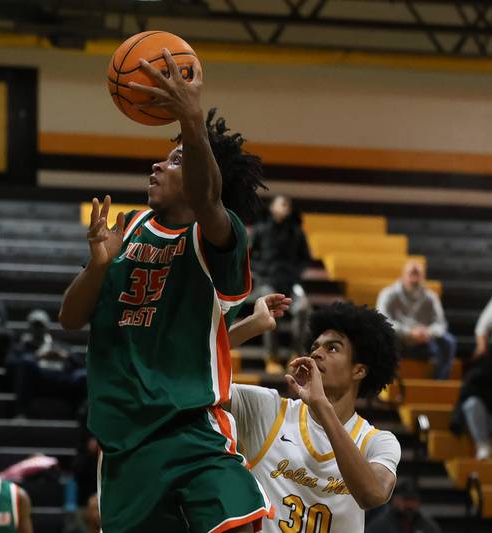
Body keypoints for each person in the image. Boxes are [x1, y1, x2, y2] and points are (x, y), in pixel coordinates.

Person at [58, 49, 271, 533]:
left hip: (191, 429)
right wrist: (97, 267)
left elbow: (208, 197)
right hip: (125, 441)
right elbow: (69, 318)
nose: (157, 165)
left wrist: (191, 118)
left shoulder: (215, 237)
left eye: (176, 160)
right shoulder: (128, 228)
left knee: (238, 520)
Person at [227, 299, 401, 532]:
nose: (317, 353)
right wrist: (251, 325)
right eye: (314, 347)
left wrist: (322, 406)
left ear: (358, 370)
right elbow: (192, 372)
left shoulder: (378, 441)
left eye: (332, 348)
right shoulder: (268, 410)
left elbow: (373, 494)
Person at [248, 195, 313, 373]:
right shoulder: (261, 230)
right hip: (267, 282)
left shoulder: (297, 232)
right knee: (271, 308)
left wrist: (295, 273)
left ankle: (296, 354)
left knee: (303, 308)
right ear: (272, 208)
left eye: (288, 206)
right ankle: (271, 357)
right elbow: (248, 257)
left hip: (291, 284)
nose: (286, 208)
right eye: (282, 205)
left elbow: (305, 258)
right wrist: (262, 270)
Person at [376, 260, 455, 380]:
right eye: (411, 273)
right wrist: (409, 332)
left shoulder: (431, 297)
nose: (414, 278)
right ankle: (382, 382)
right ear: (403, 275)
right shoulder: (388, 294)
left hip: (424, 344)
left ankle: (439, 382)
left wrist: (428, 332)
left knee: (448, 341)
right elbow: (383, 321)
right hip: (397, 343)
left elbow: (441, 323)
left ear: (423, 276)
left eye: (417, 274)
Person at [8, 310, 86, 418]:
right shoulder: (21, 347)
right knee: (26, 361)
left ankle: (81, 414)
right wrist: (37, 356)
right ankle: (21, 412)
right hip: (38, 382)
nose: (38, 329)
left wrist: (66, 356)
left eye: (40, 326)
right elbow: (10, 365)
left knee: (82, 375)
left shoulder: (60, 346)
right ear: (29, 327)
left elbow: (81, 364)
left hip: (60, 379)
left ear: (47, 327)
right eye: (35, 326)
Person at [364, 479, 442, 533]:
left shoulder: (428, 526)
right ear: (395, 500)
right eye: (406, 500)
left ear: (418, 502)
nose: (409, 504)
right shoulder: (379, 526)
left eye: (413, 500)